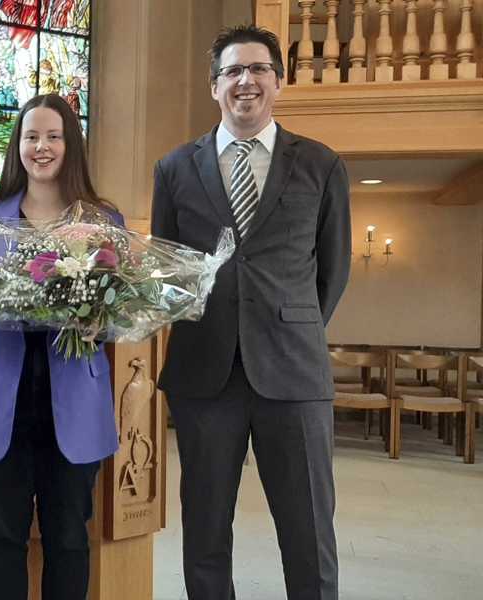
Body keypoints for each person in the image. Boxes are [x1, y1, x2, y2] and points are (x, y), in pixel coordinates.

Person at [150, 25, 351, 600]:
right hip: (204, 374)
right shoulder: (174, 168)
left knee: (308, 530)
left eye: (259, 68)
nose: (246, 81)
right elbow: (168, 268)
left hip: (292, 371)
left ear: (278, 83)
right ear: (214, 86)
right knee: (206, 530)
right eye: (233, 71)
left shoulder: (320, 164)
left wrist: (289, 325)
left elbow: (331, 274)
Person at [0, 93, 120, 600]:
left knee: (68, 537)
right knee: (1, 535)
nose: (41, 147)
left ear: (71, 145)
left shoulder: (103, 222)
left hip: (74, 401)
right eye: (31, 136)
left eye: (53, 136)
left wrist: (97, 323)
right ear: (17, 145)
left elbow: (119, 312)